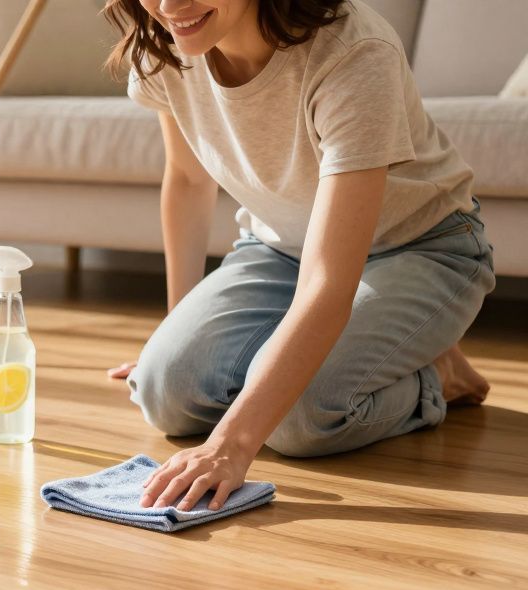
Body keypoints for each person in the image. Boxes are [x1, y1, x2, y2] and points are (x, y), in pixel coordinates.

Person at [103, 0, 496, 511]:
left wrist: (230, 446)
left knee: (302, 418)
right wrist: (177, 336)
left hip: (423, 247)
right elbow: (187, 179)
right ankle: (384, 347)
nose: (170, 6)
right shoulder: (166, 43)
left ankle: (435, 376)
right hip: (281, 246)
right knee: (164, 391)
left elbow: (329, 283)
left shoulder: (353, 52)